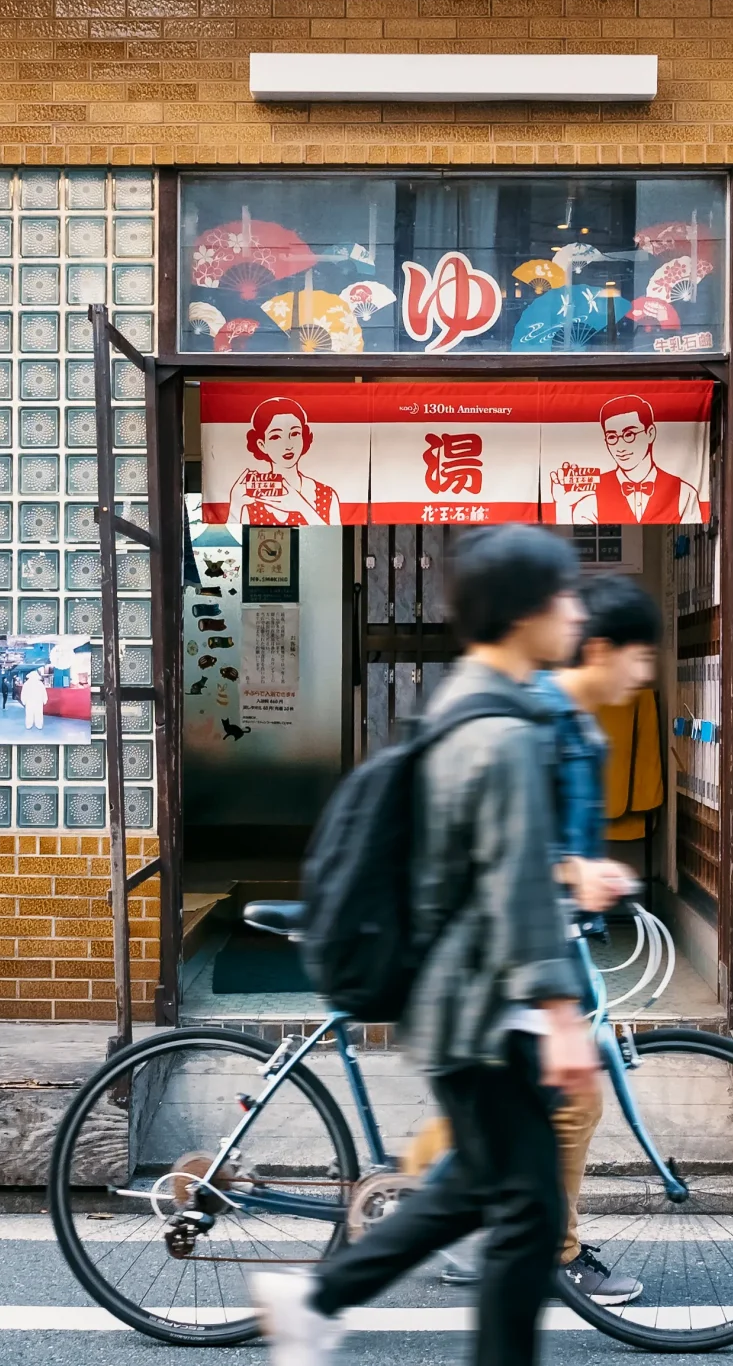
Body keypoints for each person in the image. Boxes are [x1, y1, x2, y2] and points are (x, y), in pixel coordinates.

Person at [253, 525, 597, 1366]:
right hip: (485, 1012)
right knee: (528, 1217)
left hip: (459, 1007)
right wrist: (562, 1011)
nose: (576, 609)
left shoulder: (465, 703)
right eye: (563, 593)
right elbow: (514, 881)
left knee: (495, 1193)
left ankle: (319, 1296)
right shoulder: (506, 731)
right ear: (522, 611)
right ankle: (318, 1296)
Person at [442, 573, 660, 1306]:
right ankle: (551, 1252)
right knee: (573, 1102)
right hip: (510, 946)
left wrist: (584, 875)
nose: (647, 673)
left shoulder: (570, 722)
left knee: (504, 1108)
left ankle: (483, 1232)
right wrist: (574, 876)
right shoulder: (539, 721)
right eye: (640, 656)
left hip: (519, 942)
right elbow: (509, 851)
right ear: (598, 648)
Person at [556, 395, 703, 525]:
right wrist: (563, 506)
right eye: (612, 437)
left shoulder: (684, 492)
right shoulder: (591, 496)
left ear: (650, 433)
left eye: (629, 434)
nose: (620, 447)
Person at [220, 396, 341, 526]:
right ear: (262, 444)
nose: (288, 445)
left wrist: (302, 507)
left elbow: (336, 541)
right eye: (276, 436)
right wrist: (235, 505)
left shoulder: (325, 496)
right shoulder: (249, 497)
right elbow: (232, 542)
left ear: (303, 437)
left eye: (295, 434)